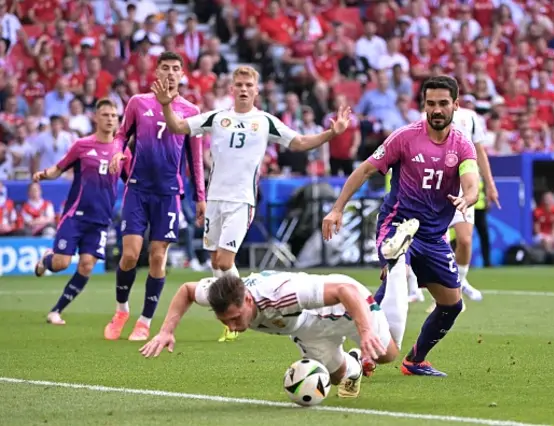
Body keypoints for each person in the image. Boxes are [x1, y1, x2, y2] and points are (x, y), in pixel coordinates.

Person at [150, 65, 352, 342]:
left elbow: (300, 142)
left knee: (224, 260)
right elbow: (178, 126)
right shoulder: (218, 117)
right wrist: (165, 106)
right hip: (215, 199)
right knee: (214, 260)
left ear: (256, 90)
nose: (244, 89)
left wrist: (331, 134)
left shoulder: (265, 121)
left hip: (241, 200)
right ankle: (228, 312)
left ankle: (241, 306)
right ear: (231, 89)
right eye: (239, 84)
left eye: (249, 85)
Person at [322, 75, 480, 377]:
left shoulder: (462, 144)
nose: (436, 109)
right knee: (397, 282)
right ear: (424, 104)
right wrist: (336, 209)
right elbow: (366, 169)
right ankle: (359, 356)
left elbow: (471, 181)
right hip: (397, 225)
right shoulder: (404, 137)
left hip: (433, 237)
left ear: (455, 106)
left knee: (452, 306)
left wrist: (468, 198)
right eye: (430, 103)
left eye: (443, 104)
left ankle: (414, 360)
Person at [139, 270, 406, 398]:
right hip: (307, 330)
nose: (232, 327)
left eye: (234, 319)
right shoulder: (219, 293)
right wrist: (166, 331)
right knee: (337, 378)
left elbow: (343, 291)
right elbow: (187, 289)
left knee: (387, 355)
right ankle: (355, 363)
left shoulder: (282, 293)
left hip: (346, 307)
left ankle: (396, 268)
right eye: (225, 322)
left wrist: (365, 328)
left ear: (247, 301)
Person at [104, 51, 206, 342]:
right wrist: (117, 153)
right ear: (156, 72)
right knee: (130, 255)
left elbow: (195, 158)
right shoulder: (138, 102)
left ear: (182, 75)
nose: (171, 73)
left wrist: (200, 196)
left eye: (176, 68)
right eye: (166, 68)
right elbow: (122, 135)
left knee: (158, 257)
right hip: (137, 188)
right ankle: (121, 310)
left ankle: (145, 321)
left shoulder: (191, 111)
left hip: (169, 194)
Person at [32, 98, 127, 325]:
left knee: (86, 265)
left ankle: (56, 311)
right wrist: (43, 175)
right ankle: (47, 259)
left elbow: (131, 179)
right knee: (61, 264)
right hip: (76, 215)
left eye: (113, 116)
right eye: (105, 115)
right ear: (95, 118)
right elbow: (59, 168)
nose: (110, 119)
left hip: (101, 220)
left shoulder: (121, 150)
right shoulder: (82, 145)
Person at [423, 105, 500, 312]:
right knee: (438, 244)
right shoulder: (428, 117)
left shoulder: (470, 118)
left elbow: (480, 152)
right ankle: (442, 294)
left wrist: (490, 185)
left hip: (463, 186)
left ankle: (460, 281)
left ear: (455, 101)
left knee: (465, 241)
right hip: (436, 189)